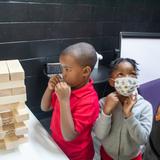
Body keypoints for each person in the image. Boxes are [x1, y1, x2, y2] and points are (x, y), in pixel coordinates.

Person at [41, 42, 99, 160]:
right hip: (56, 145)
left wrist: (64, 100)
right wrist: (49, 88)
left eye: (68, 69)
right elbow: (45, 107)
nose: (63, 74)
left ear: (85, 71)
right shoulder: (67, 87)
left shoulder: (90, 101)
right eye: (62, 68)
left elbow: (69, 136)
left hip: (77, 154)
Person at [94, 58, 153, 160]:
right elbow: (99, 134)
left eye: (132, 74)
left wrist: (129, 115)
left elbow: (143, 139)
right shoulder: (103, 103)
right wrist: (106, 112)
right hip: (107, 155)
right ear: (112, 82)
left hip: (133, 157)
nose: (127, 78)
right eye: (120, 74)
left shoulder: (145, 106)